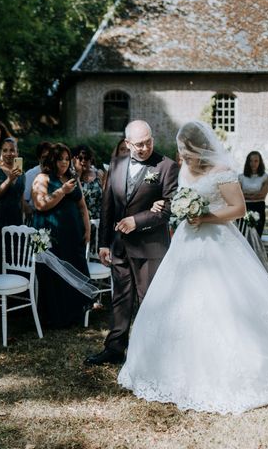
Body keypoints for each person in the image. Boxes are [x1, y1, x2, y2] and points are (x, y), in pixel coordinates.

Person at [117, 121, 268, 414]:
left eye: (185, 150)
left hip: (217, 241)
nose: (182, 157)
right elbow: (178, 199)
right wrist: (179, 208)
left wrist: (204, 217)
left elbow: (238, 208)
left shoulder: (221, 172)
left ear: (198, 147)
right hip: (186, 242)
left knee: (225, 301)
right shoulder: (185, 171)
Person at [84, 120, 179, 366]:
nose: (145, 147)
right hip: (119, 246)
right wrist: (103, 243)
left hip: (150, 247)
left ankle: (152, 353)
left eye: (148, 142)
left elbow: (171, 207)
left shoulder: (166, 166)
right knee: (120, 299)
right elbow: (108, 206)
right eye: (139, 144)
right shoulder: (116, 165)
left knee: (150, 300)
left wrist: (138, 220)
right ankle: (114, 349)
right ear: (127, 143)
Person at [32, 143, 91, 328]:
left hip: (73, 233)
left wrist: (87, 229)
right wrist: (62, 191)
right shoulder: (42, 178)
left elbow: (82, 207)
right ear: (52, 160)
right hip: (51, 234)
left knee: (74, 268)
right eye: (60, 159)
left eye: (67, 159)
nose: (64, 163)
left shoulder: (73, 178)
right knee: (53, 274)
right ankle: (54, 317)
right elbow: (40, 205)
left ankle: (73, 314)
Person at [0, 137, 26, 274]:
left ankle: (14, 290)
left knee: (14, 257)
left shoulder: (22, 174)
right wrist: (9, 179)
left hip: (15, 219)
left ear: (17, 152)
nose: (9, 153)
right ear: (1, 152)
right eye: (5, 150)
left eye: (12, 150)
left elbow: (20, 198)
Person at [239, 151, 268, 236]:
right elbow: (238, 194)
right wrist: (254, 196)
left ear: (260, 162)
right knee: (243, 236)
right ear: (247, 162)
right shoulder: (241, 177)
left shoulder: (265, 177)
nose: (253, 163)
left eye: (256, 161)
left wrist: (246, 196)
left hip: (259, 208)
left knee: (257, 236)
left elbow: (262, 194)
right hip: (244, 208)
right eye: (251, 161)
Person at [72, 144, 104, 220]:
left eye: (86, 158)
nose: (83, 161)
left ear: (91, 159)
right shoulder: (72, 177)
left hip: (97, 220)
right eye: (80, 158)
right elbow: (74, 197)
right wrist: (78, 174)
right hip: (80, 219)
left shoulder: (98, 174)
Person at [23, 141, 53, 220]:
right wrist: (31, 214)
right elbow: (24, 199)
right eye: (44, 157)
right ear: (39, 158)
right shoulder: (30, 174)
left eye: (49, 156)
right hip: (36, 216)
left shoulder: (57, 172)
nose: (47, 159)